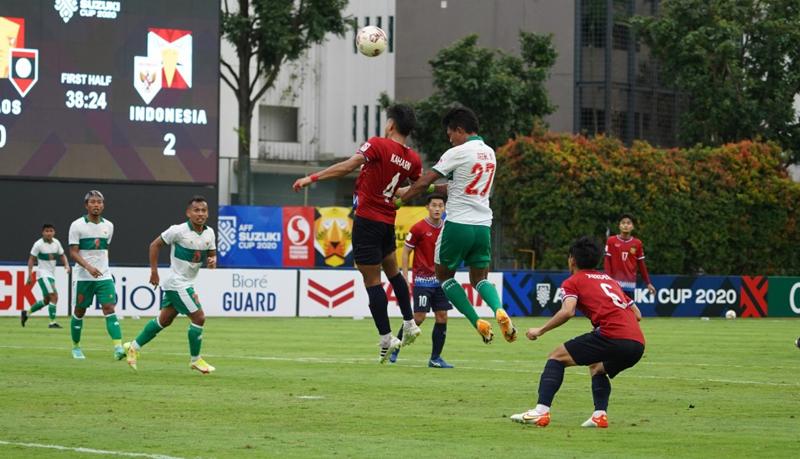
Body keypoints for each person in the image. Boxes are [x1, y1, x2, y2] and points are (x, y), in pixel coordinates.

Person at [293, 104, 424, 363]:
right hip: (388, 221)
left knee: (372, 282)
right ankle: (409, 322)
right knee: (393, 272)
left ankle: (387, 337)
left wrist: (312, 178)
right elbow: (415, 187)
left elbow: (346, 166)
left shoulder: (377, 144)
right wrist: (399, 198)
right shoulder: (412, 158)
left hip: (367, 221)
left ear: (391, 125)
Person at [396, 106, 516, 344]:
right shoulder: (490, 153)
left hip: (458, 224)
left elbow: (423, 182)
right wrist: (429, 188)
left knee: (443, 275)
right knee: (480, 278)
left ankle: (476, 321)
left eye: (450, 133)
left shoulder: (457, 152)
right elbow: (453, 187)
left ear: (460, 130)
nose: (449, 139)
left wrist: (400, 200)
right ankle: (498, 310)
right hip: (483, 226)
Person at [511, 236, 645, 428]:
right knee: (597, 367)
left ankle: (541, 412)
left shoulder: (572, 281)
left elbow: (568, 311)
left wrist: (540, 330)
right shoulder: (610, 280)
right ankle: (600, 415)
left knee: (556, 357)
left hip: (612, 335)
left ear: (572, 259)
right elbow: (637, 314)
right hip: (637, 343)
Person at [124, 196, 217, 374]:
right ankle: (195, 360)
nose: (200, 214)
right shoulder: (178, 230)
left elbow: (211, 255)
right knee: (199, 318)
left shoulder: (209, 233)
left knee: (164, 320)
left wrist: (213, 261)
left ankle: (133, 347)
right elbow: (154, 245)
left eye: (203, 210)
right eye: (196, 210)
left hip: (186, 282)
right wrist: (154, 271)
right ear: (188, 213)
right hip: (176, 283)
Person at [390, 194, 453, 368]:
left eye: (441, 205)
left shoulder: (447, 228)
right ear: (428, 207)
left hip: (441, 280)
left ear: (445, 208)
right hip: (423, 280)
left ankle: (435, 358)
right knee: (418, 318)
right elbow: (405, 252)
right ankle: (395, 347)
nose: (438, 208)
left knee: (442, 317)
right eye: (434, 205)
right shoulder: (418, 228)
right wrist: (404, 274)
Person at [68, 190, 124, 360]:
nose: (96, 205)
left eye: (99, 202)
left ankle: (118, 347)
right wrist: (88, 267)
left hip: (103, 276)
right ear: (86, 205)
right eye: (92, 202)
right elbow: (73, 252)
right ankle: (76, 347)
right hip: (83, 276)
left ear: (103, 205)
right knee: (79, 311)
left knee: (109, 308)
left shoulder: (109, 226)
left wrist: (98, 267)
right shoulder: (77, 225)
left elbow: (104, 249)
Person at [21, 224, 70, 328]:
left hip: (51, 274)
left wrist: (66, 265)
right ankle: (52, 323)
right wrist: (29, 274)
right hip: (43, 274)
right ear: (43, 232)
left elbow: (62, 255)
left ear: (54, 232)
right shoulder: (38, 244)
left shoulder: (56, 243)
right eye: (46, 231)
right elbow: (31, 259)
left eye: (51, 231)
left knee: (47, 300)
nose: (49, 233)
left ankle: (26, 313)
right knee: (54, 296)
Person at [604, 213, 656, 301]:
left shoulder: (637, 243)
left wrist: (648, 283)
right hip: (614, 284)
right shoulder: (611, 241)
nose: (625, 225)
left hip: (630, 284)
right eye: (623, 223)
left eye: (628, 223)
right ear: (619, 226)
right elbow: (607, 261)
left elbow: (641, 264)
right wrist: (608, 280)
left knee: (630, 312)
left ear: (633, 227)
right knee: (614, 311)